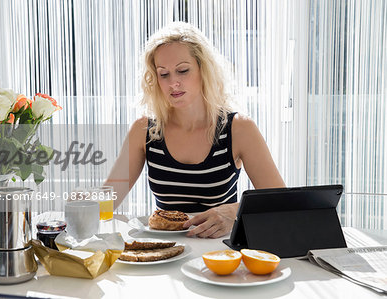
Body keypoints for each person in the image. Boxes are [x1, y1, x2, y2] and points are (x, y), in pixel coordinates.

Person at [105, 22, 285, 238]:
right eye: (164, 74)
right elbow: (108, 201)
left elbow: (279, 203)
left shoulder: (240, 128)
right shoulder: (144, 130)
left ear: (204, 69)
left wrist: (234, 212)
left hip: (221, 256)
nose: (173, 83)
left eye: (183, 71)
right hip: (166, 255)